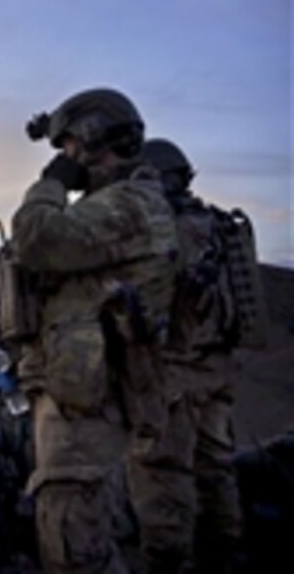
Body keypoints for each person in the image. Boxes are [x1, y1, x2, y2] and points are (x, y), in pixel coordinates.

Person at [7, 88, 179, 573]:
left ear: (92, 136)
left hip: (89, 406)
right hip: (81, 394)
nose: (66, 158)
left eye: (68, 148)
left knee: (75, 542)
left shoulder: (131, 205)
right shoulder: (117, 207)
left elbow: (37, 238)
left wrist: (50, 183)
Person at [127, 138, 248, 573]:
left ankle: (168, 561)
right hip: (216, 367)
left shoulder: (167, 229)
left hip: (175, 370)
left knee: (161, 470)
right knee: (216, 464)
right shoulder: (214, 224)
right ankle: (225, 551)